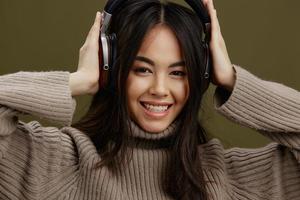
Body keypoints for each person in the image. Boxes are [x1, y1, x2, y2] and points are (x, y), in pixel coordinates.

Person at [0, 0, 299, 199]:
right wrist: (80, 80)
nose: (159, 88)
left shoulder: (229, 177)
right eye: (142, 69)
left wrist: (232, 80)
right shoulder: (58, 163)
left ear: (201, 75)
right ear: (112, 68)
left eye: (178, 73)